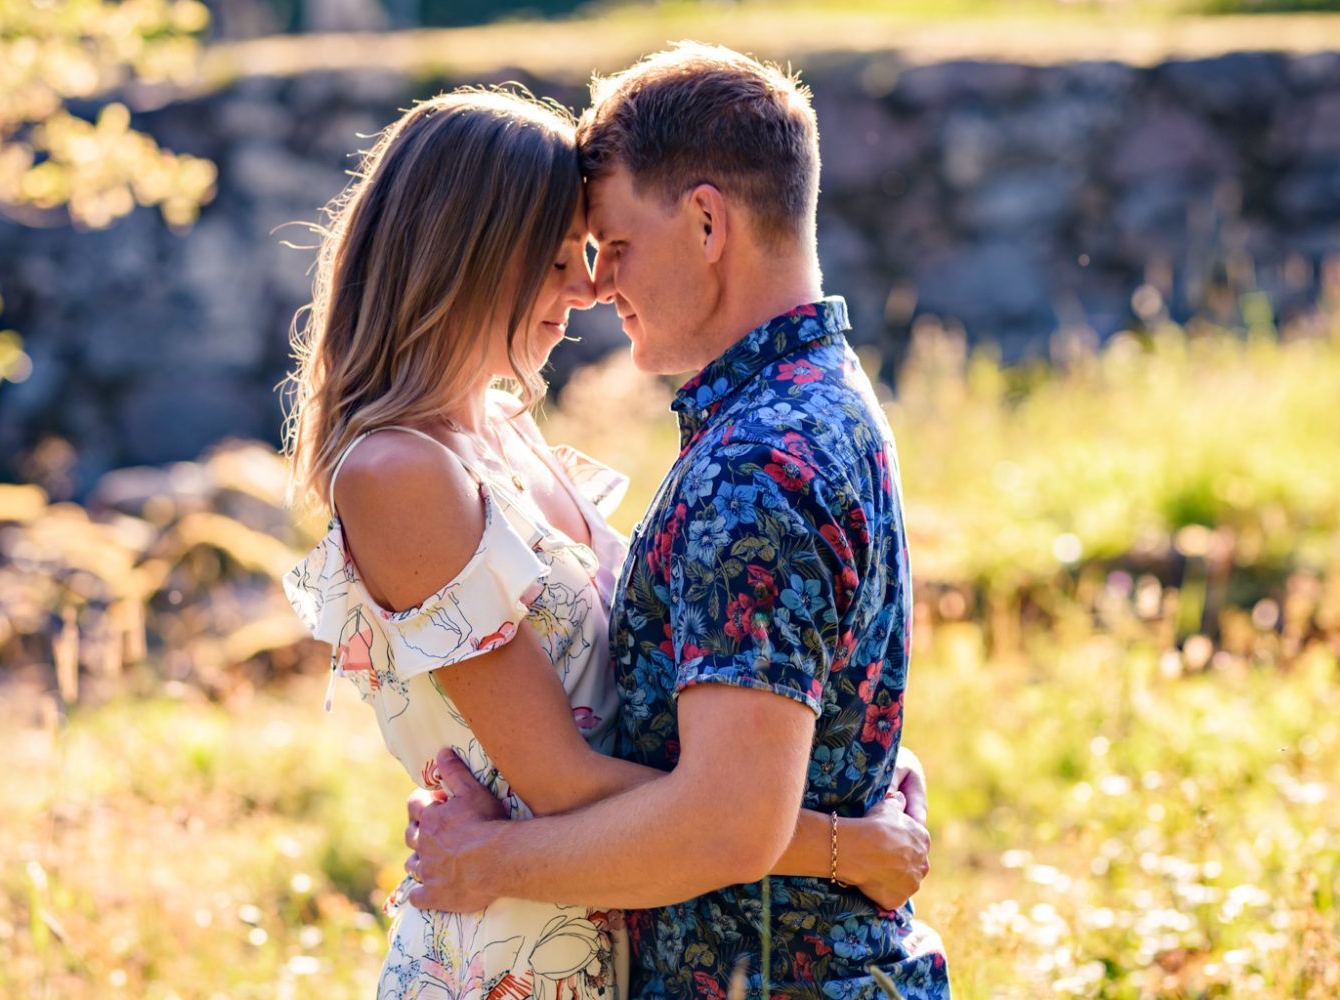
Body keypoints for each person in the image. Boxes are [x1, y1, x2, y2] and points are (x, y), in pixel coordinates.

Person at [280, 86, 932, 1000]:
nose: (588, 290)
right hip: (519, 954)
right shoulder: (400, 475)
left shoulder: (504, 428)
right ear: (467, 263)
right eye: (557, 262)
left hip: (612, 921)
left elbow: (672, 683)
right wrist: (846, 845)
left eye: (595, 252)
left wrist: (839, 750)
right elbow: (562, 780)